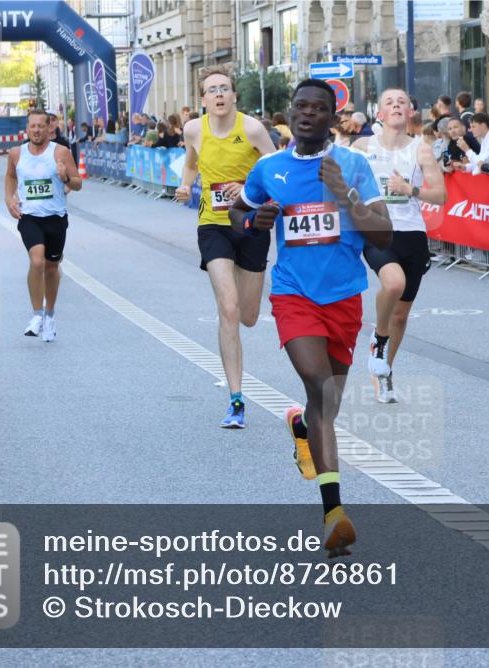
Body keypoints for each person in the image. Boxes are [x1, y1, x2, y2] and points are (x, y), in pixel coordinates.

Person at [229, 78, 393, 557]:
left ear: (332, 117)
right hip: (293, 294)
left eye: (317, 108)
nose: (307, 114)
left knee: (326, 407)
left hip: (343, 298)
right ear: (291, 112)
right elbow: (238, 214)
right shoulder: (269, 168)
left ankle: (302, 425)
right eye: (300, 106)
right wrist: (252, 222)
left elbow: (382, 234)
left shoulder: (354, 164)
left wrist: (344, 193)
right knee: (320, 389)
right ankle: (334, 514)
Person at [173, 66, 277, 428]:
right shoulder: (193, 129)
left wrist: (248, 188)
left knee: (248, 316)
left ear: (234, 96)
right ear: (203, 99)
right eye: (212, 90)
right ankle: (236, 399)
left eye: (224, 88)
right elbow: (191, 165)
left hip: (250, 224)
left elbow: (278, 170)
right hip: (213, 225)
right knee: (228, 309)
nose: (218, 94)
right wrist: (185, 185)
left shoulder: (252, 129)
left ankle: (236, 394)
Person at [352, 88, 447, 402]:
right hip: (378, 229)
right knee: (393, 283)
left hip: (412, 233)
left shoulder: (421, 150)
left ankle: (384, 372)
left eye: (401, 102)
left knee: (402, 315)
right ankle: (379, 338)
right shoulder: (362, 147)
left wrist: (410, 189)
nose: (396, 106)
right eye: (389, 102)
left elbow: (441, 196)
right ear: (379, 114)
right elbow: (338, 181)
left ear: (410, 112)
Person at [4, 108, 83, 343]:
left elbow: (78, 183)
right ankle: (37, 314)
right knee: (37, 261)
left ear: (49, 128)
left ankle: (49, 316)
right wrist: (9, 199)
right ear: (27, 129)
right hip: (29, 216)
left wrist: (65, 177)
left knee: (51, 267)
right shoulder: (16, 153)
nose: (36, 130)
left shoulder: (60, 152)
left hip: (55, 217)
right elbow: (11, 176)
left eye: (41, 126)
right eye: (33, 126)